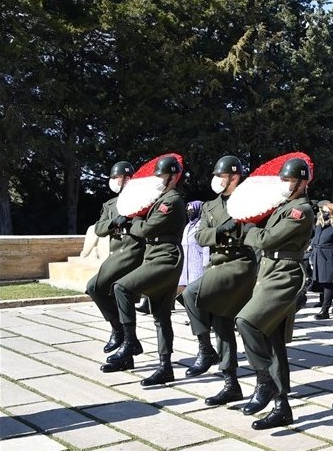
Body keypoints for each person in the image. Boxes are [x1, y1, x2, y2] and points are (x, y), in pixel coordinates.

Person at [235, 156, 315, 430]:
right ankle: (282, 406)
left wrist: (248, 229)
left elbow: (267, 239)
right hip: (270, 270)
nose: (285, 185)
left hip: (286, 273)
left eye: (289, 180)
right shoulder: (283, 207)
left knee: (247, 321)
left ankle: (264, 381)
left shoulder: (300, 211)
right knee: (274, 339)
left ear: (302, 183)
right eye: (283, 180)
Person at [178, 155, 258, 405]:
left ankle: (205, 349)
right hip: (216, 265)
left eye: (220, 176)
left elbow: (252, 233)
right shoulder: (210, 206)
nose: (216, 180)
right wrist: (221, 231)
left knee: (191, 293)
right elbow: (200, 236)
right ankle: (230, 382)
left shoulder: (249, 201)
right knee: (222, 324)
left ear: (234, 177)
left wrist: (232, 232)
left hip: (239, 264)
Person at [103, 155, 187, 384]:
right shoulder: (158, 199)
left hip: (166, 257)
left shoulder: (171, 201)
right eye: (157, 175)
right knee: (161, 315)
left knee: (122, 287)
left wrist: (133, 222)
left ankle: (130, 341)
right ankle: (165, 367)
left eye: (162, 175)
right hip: (154, 256)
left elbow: (146, 229)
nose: (158, 179)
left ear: (173, 177)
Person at [85, 161, 145, 357]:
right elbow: (100, 229)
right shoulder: (110, 205)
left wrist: (130, 219)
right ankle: (118, 329)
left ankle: (128, 338)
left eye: (115, 178)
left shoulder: (142, 201)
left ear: (127, 179)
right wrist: (113, 222)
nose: (112, 182)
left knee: (119, 290)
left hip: (134, 254)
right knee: (94, 287)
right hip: (116, 256)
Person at [308, 201, 333, 319]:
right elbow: (315, 240)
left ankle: (325, 310)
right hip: (319, 255)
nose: (324, 214)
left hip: (330, 257)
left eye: (327, 212)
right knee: (321, 283)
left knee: (328, 283)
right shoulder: (320, 224)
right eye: (323, 211)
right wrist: (312, 254)